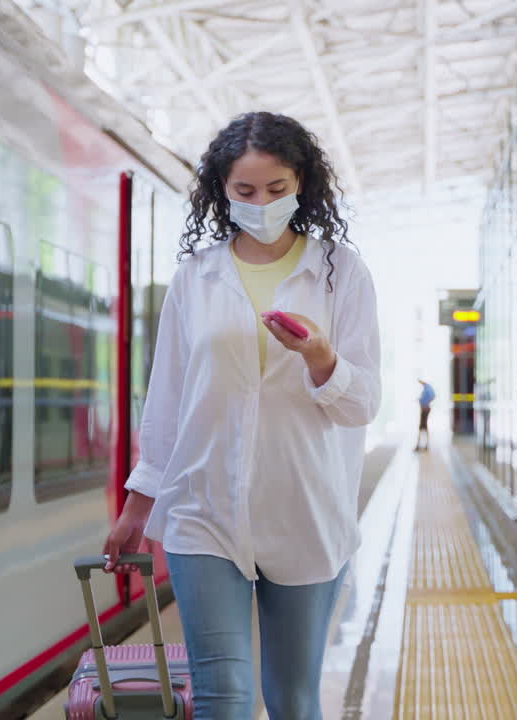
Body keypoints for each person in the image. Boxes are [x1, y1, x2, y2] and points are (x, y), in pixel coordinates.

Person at [102, 111, 381, 720]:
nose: (261, 204)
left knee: (292, 699)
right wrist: (136, 508)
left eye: (276, 189)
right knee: (222, 697)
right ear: (222, 191)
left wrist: (320, 356)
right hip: (204, 509)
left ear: (302, 183)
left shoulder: (340, 274)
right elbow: (168, 403)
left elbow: (362, 405)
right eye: (245, 191)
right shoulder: (196, 278)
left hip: (305, 510)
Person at [416, 379, 435, 451]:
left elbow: (432, 396)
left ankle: (421, 445)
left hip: (425, 409)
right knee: (423, 427)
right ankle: (423, 445)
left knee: (422, 427)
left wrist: (425, 404)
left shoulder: (428, 388)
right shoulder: (426, 388)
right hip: (424, 408)